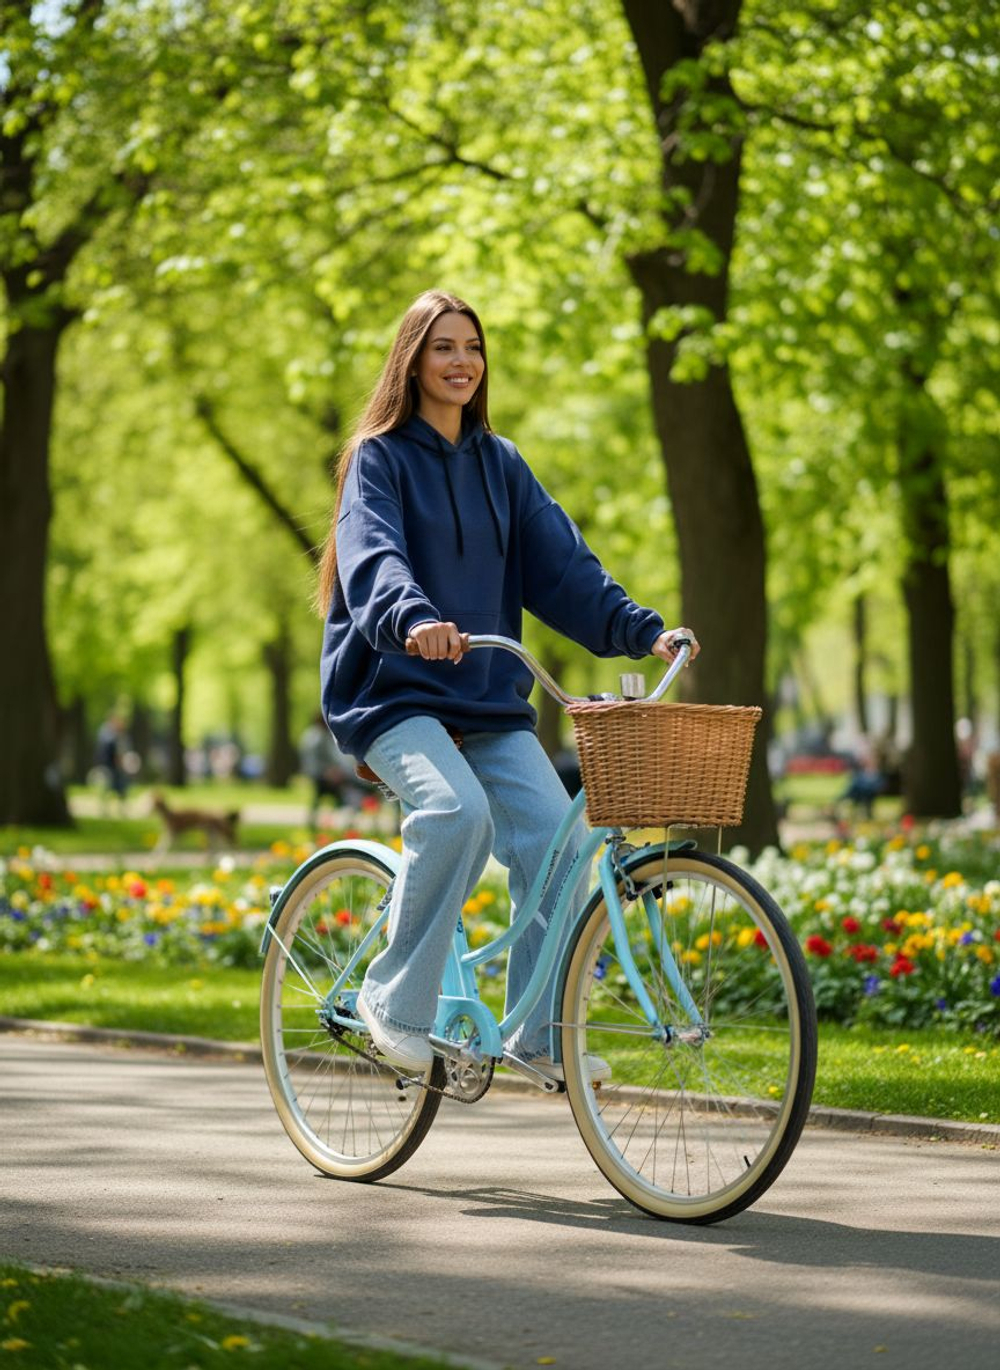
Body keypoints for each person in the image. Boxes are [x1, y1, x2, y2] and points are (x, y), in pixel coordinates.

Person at [316, 289, 699, 1080]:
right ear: (412, 362)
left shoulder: (502, 463)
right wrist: (412, 616)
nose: (461, 362)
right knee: (458, 815)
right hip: (393, 692)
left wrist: (641, 629)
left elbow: (566, 571)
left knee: (563, 842)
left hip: (487, 699)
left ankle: (539, 1031)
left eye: (472, 348)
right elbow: (373, 556)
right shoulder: (377, 457)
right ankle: (392, 998)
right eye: (443, 348)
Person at [298, 712, 366, 825]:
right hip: (323, 776)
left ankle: (347, 815)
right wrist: (330, 772)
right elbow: (321, 762)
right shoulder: (318, 737)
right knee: (353, 788)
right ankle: (350, 816)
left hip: (318, 775)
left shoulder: (311, 735)